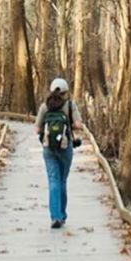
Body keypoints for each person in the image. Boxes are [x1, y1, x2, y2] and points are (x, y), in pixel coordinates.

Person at [35, 78, 84, 229]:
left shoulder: (44, 107)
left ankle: (54, 217)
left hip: (48, 148)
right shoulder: (70, 106)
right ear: (65, 92)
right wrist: (72, 126)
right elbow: (78, 125)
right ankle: (62, 215)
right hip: (65, 147)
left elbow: (37, 129)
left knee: (53, 180)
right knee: (62, 180)